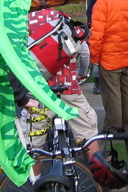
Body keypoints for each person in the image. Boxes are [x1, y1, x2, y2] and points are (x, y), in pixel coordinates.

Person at [28, 8, 99, 161]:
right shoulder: (63, 18)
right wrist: (81, 72)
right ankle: (99, 177)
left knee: (35, 141)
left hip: (39, 91)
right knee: (88, 131)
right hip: (68, 88)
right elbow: (84, 52)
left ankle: (37, 180)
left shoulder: (26, 21)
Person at [89, 0, 128, 132]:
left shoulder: (103, 2)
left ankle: (113, 128)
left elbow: (97, 34)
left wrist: (94, 58)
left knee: (111, 94)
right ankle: (127, 125)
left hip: (109, 58)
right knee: (126, 92)